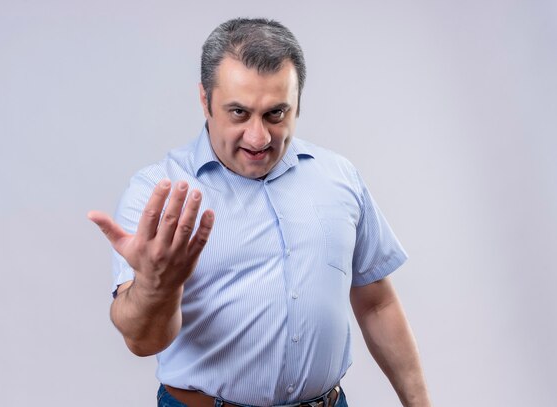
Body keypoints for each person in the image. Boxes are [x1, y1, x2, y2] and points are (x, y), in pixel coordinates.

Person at [88, 17, 431, 407]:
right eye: (238, 113)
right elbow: (142, 340)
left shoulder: (339, 176)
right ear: (205, 100)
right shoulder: (157, 194)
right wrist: (156, 287)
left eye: (276, 114)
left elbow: (377, 302)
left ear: (297, 101)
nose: (259, 138)